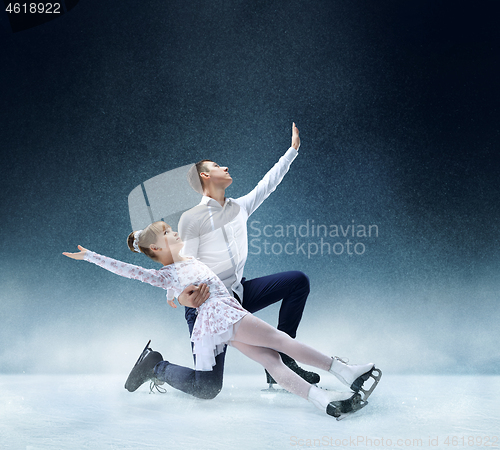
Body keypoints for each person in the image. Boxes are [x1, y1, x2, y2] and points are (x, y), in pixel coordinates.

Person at [63, 221, 381, 419]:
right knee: (283, 343)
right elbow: (133, 271)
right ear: (159, 246)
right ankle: (346, 372)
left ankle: (321, 401)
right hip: (222, 314)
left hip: (220, 322)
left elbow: (189, 274)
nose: (176, 233)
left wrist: (172, 292)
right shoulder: (166, 273)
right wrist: (92, 256)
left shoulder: (187, 261)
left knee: (273, 363)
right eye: (170, 233)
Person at [164, 123, 317, 397]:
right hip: (207, 307)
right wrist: (179, 295)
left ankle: (281, 362)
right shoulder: (192, 218)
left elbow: (267, 185)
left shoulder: (239, 208)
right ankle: (155, 365)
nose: (225, 167)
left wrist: (292, 151)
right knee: (207, 388)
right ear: (205, 175)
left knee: (298, 282)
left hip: (238, 294)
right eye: (217, 166)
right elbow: (182, 265)